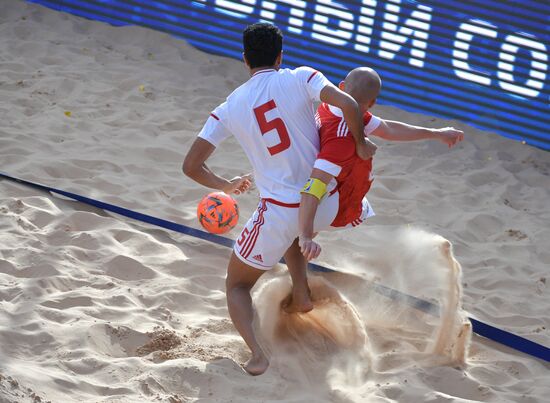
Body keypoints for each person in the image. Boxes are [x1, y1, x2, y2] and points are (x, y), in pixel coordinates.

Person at [182, 23, 377, 376]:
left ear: (244, 61)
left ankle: (258, 354)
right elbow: (349, 102)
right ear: (280, 56)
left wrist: (225, 185)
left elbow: (191, 166)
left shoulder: (228, 106)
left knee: (237, 285)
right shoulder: (301, 76)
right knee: (290, 233)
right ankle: (301, 293)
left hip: (284, 212)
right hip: (324, 202)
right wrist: (361, 143)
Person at [298, 67, 465, 263]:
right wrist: (306, 236)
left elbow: (388, 128)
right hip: (333, 206)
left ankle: (297, 250)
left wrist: (437, 133)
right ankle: (298, 252)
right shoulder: (342, 138)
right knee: (303, 240)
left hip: (307, 181)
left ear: (341, 87)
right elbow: (313, 188)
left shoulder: (331, 104)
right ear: (372, 103)